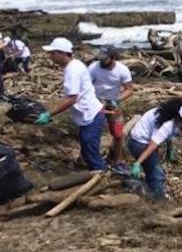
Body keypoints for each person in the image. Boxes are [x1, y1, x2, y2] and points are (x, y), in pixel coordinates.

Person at [34, 37, 106, 170]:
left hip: (91, 115)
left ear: (62, 53)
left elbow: (72, 99)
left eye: (53, 53)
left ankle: (101, 177)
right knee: (87, 150)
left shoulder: (72, 70)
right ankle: (95, 173)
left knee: (91, 153)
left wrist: (49, 114)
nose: (50, 56)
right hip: (88, 115)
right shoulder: (74, 65)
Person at [126, 98, 182, 200]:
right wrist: (137, 163)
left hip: (141, 141)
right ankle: (159, 202)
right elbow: (153, 145)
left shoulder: (170, 116)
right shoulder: (166, 124)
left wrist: (169, 147)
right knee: (157, 175)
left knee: (151, 170)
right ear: (178, 118)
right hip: (139, 144)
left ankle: (148, 192)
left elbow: (169, 134)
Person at [88, 47, 134, 169]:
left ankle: (118, 160)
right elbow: (87, 86)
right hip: (96, 102)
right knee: (93, 131)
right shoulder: (93, 68)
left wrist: (117, 100)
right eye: (100, 59)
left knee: (118, 132)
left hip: (113, 103)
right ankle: (93, 159)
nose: (101, 62)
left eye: (105, 59)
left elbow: (129, 89)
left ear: (113, 58)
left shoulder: (122, 70)